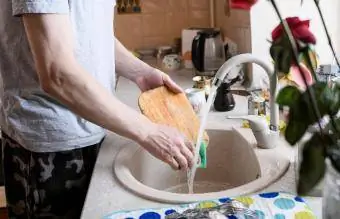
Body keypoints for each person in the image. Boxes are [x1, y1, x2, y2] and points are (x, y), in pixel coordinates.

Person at [0, 0, 194, 218]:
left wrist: (139, 71)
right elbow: (57, 74)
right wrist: (148, 131)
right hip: (51, 144)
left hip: (95, 123)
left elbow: (88, 32)